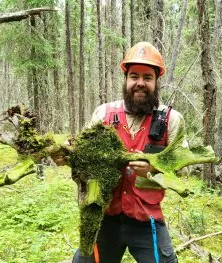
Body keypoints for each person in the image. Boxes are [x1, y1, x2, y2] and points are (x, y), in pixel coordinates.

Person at [72, 42, 182, 263]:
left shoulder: (170, 120)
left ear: (156, 81)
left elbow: (179, 174)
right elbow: (83, 162)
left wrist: (153, 170)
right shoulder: (103, 114)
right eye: (134, 76)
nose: (140, 83)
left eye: (147, 77)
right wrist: (68, 158)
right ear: (125, 78)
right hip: (104, 216)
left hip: (146, 218)